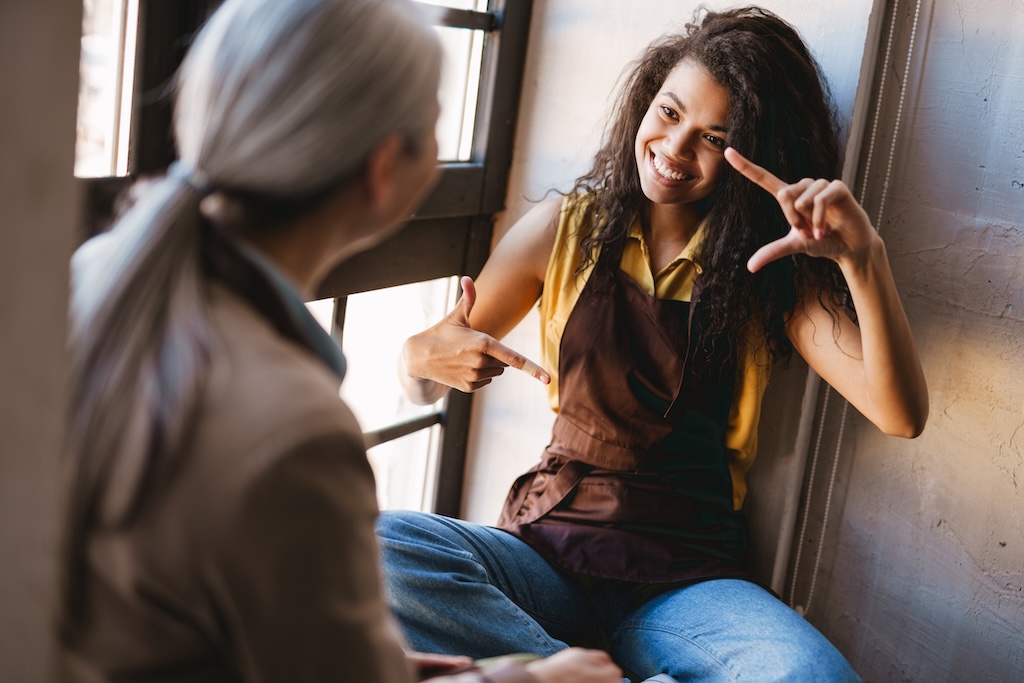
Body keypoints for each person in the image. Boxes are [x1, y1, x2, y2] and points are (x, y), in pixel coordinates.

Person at [57, 1, 624, 682]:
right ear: (385, 169)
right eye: (436, 121)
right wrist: (528, 679)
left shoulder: (90, 280)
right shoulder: (294, 427)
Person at [378, 5, 928, 683]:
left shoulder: (766, 269)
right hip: (547, 556)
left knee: (813, 676)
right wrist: (416, 360)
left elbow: (902, 415)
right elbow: (436, 365)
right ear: (646, 99)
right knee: (377, 548)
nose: (673, 148)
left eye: (711, 137)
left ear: (749, 157)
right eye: (669, 113)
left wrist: (861, 258)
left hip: (681, 581)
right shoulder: (565, 228)